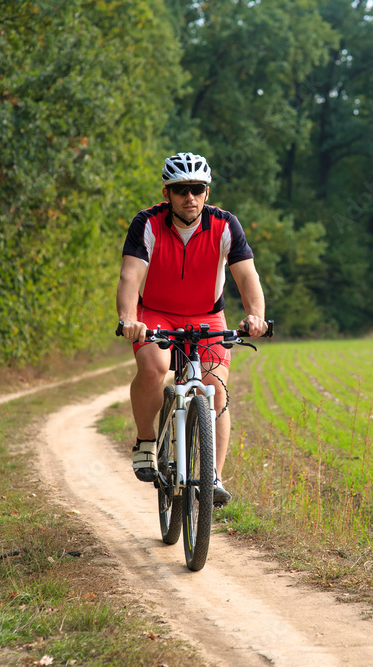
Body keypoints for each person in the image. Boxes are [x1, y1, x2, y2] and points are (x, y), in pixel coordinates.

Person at [117, 152, 268, 506]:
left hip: (206, 315)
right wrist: (128, 319)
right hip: (155, 312)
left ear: (207, 192)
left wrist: (256, 315)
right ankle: (146, 441)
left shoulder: (225, 225)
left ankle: (213, 476)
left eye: (197, 189)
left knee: (215, 388)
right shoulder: (148, 223)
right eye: (181, 189)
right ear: (167, 192)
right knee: (154, 367)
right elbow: (129, 275)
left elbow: (247, 276)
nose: (190, 197)